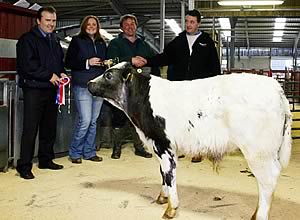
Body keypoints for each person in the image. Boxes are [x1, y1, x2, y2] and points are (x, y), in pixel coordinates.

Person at [147, 9, 221, 162]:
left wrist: (216, 87)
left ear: (198, 24)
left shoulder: (206, 42)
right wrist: (147, 61)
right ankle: (180, 147)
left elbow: (215, 67)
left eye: (192, 22)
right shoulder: (178, 41)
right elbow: (165, 58)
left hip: (200, 88)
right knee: (180, 118)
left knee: (199, 118)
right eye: (186, 21)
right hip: (180, 87)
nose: (188, 25)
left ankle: (198, 150)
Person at [16, 6, 66, 179]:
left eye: (53, 21)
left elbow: (59, 62)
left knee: (49, 127)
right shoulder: (27, 40)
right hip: (34, 89)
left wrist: (61, 73)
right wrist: (48, 75)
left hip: (52, 88)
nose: (51, 24)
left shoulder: (55, 40)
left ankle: (46, 159)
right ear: (38, 21)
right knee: (30, 128)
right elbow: (27, 65)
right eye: (47, 20)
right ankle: (24, 166)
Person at [106, 14, 156, 159]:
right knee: (119, 116)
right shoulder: (115, 43)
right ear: (121, 27)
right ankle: (116, 148)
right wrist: (130, 60)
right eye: (126, 24)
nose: (129, 26)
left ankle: (139, 147)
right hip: (121, 87)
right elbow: (111, 61)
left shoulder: (143, 44)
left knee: (139, 118)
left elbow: (152, 60)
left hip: (140, 87)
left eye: (132, 24)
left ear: (136, 26)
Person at [65, 15, 106, 164]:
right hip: (82, 85)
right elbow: (69, 62)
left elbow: (104, 60)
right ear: (84, 26)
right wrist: (87, 63)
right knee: (85, 120)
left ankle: (89, 152)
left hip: (98, 86)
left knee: (94, 121)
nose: (91, 26)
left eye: (94, 24)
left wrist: (105, 63)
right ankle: (75, 152)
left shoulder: (102, 42)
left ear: (97, 26)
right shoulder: (77, 41)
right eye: (88, 24)